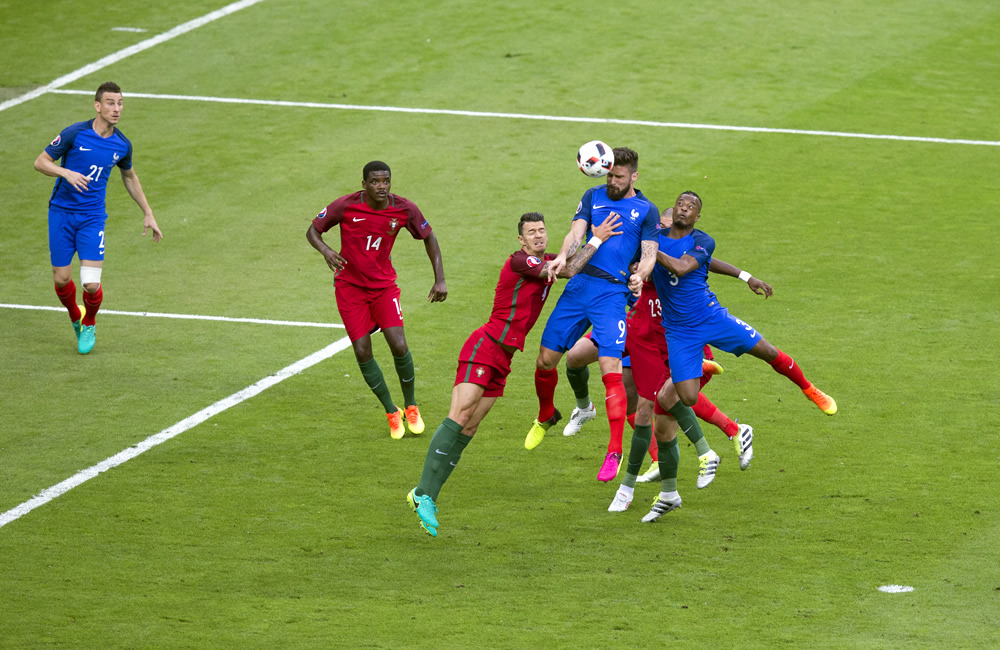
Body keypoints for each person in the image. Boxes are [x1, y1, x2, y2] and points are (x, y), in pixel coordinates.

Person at [617, 190, 837, 523]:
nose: (685, 209)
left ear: (697, 217)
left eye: (691, 207)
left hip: (710, 316)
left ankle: (809, 389)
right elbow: (632, 257)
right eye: (681, 204)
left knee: (766, 350)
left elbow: (683, 264)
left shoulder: (702, 240)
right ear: (673, 209)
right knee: (686, 396)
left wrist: (651, 251)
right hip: (679, 332)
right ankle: (704, 383)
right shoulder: (656, 238)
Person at [407, 212, 622, 537]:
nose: (538, 236)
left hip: (503, 357)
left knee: (471, 426)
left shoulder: (548, 260)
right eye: (531, 232)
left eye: (541, 230)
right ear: (521, 240)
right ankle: (422, 491)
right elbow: (573, 266)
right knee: (459, 414)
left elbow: (574, 264)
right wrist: (597, 236)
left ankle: (429, 497)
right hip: (485, 346)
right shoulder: (521, 261)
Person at [524, 148, 660, 485]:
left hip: (612, 295)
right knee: (545, 360)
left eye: (618, 177)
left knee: (609, 369)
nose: (611, 181)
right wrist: (562, 257)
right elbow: (575, 233)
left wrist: (640, 275)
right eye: (609, 175)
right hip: (579, 287)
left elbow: (650, 254)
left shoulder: (646, 210)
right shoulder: (592, 196)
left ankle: (614, 451)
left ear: (634, 177)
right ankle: (546, 415)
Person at [307, 161, 446, 439]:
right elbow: (313, 230)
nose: (381, 186)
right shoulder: (345, 206)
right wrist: (325, 250)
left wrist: (439, 278)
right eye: (375, 182)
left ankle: (411, 405)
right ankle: (391, 411)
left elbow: (429, 237)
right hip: (350, 288)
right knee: (362, 351)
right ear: (364, 185)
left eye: (386, 181)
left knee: (398, 344)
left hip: (384, 288)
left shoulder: (404, 208)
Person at [34, 81, 163, 354]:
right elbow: (41, 162)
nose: (116, 109)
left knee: (91, 284)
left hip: (92, 218)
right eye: (110, 103)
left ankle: (89, 322)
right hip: (61, 214)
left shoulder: (121, 144)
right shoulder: (74, 134)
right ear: (97, 106)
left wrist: (148, 213)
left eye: (120, 103)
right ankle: (75, 317)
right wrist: (65, 172)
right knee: (61, 279)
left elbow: (129, 176)